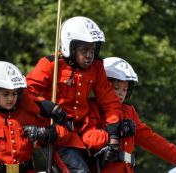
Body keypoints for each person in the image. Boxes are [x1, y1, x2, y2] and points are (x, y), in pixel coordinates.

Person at [25, 16, 122, 173]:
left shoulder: (97, 67)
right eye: (84, 50)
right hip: (58, 133)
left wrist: (114, 135)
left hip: (86, 131)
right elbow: (25, 92)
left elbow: (109, 100)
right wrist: (48, 107)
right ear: (70, 47)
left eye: (93, 49)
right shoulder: (51, 64)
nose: (90, 55)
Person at [81, 57, 176, 173]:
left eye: (125, 89)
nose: (121, 94)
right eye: (116, 88)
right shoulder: (92, 108)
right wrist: (118, 132)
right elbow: (88, 137)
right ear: (103, 87)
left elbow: (151, 140)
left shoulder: (129, 112)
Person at [0, 61, 67, 173]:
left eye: (14, 93)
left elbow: (64, 132)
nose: (11, 98)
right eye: (5, 94)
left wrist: (47, 133)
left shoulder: (27, 115)